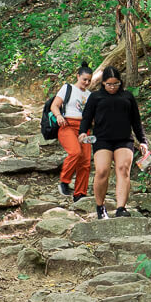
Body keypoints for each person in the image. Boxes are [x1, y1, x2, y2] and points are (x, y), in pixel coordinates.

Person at [78, 66, 148, 219]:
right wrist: (83, 132)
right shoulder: (95, 97)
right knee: (102, 171)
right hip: (102, 139)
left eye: (115, 84)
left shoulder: (128, 96)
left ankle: (121, 208)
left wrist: (143, 141)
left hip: (124, 139)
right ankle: (100, 206)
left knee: (123, 169)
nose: (112, 87)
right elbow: (86, 118)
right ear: (103, 83)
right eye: (109, 84)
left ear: (120, 82)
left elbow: (136, 121)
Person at [51, 61, 94, 203]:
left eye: (89, 80)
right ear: (78, 77)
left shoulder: (90, 95)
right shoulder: (67, 88)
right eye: (84, 79)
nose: (86, 82)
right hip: (67, 125)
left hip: (84, 129)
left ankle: (79, 194)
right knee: (75, 152)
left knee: (86, 162)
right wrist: (58, 116)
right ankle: (64, 181)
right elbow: (54, 105)